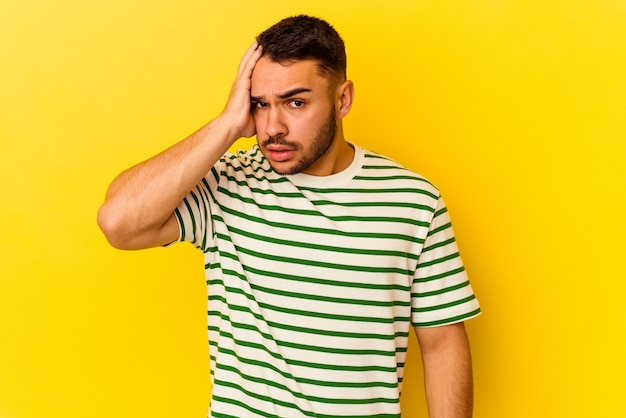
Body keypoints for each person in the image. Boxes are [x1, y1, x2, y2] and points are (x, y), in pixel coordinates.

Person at [98, 15, 481, 418]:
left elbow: (442, 345)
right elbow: (118, 223)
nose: (273, 127)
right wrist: (227, 125)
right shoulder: (230, 183)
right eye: (260, 104)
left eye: (295, 102)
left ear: (342, 99)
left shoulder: (412, 200)